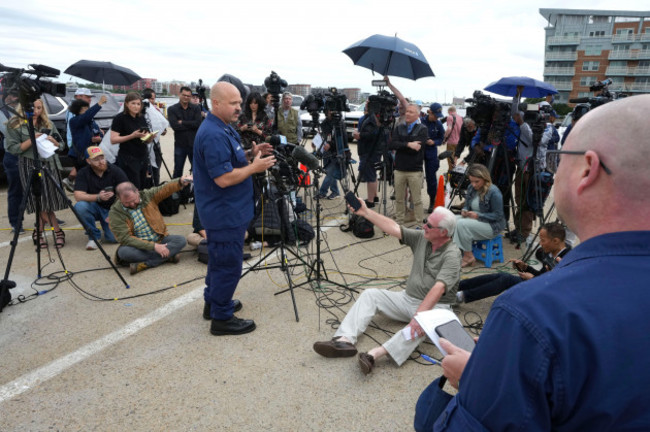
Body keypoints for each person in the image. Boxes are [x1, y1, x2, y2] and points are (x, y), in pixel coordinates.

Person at [430, 94, 650, 431]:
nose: (554, 170)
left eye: (560, 159)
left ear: (588, 168)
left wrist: (475, 380)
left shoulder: (534, 314)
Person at [313, 204, 461, 375]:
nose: (424, 226)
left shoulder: (452, 254)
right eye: (425, 222)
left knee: (419, 326)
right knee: (371, 295)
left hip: (436, 308)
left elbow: (439, 288)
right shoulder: (423, 237)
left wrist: (419, 317)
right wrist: (366, 212)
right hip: (408, 299)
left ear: (443, 232)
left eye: (429, 225)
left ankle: (374, 355)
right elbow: (394, 228)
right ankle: (343, 340)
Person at [193, 81, 275, 336]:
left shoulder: (222, 127)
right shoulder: (214, 133)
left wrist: (250, 155)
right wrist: (254, 168)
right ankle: (222, 318)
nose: (239, 107)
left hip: (228, 210)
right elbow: (223, 178)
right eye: (234, 103)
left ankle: (214, 302)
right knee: (228, 263)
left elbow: (229, 161)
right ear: (216, 103)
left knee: (219, 261)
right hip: (224, 212)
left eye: (240, 102)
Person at [5, 99, 67, 249]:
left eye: (39, 108)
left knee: (48, 201)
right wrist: (33, 139)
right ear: (24, 107)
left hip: (49, 164)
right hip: (29, 165)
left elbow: (62, 145)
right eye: (33, 108)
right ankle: (57, 231)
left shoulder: (47, 123)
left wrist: (55, 141)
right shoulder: (14, 124)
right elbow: (13, 148)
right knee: (37, 200)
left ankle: (38, 233)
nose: (36, 111)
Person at [456, 222, 569, 303]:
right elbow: (543, 276)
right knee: (501, 276)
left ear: (555, 241)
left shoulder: (567, 259)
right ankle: (456, 286)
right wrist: (525, 267)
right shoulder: (552, 252)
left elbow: (556, 290)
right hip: (537, 285)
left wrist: (532, 279)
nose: (540, 243)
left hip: (544, 297)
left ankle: (461, 297)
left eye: (543, 240)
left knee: (505, 279)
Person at [109, 177, 190, 275]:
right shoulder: (115, 213)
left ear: (137, 192)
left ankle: (146, 264)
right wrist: (154, 247)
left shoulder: (147, 195)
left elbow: (165, 188)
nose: (132, 204)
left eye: (134, 200)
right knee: (123, 253)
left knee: (181, 240)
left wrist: (180, 181)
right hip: (138, 246)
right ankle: (168, 256)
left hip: (160, 239)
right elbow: (125, 238)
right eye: (126, 203)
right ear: (119, 198)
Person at [73, 146, 128, 250]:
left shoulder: (115, 170)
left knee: (113, 239)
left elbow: (128, 190)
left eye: (102, 158)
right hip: (95, 206)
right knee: (80, 206)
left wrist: (117, 196)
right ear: (88, 161)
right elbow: (78, 195)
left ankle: (110, 226)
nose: (101, 162)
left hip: (113, 209)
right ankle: (93, 236)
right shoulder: (83, 173)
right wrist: (98, 197)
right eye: (96, 159)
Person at [452, 164, 506, 267]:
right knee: (453, 220)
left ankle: (468, 256)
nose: (473, 184)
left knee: (462, 224)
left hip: (492, 225)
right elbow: (467, 205)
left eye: (477, 181)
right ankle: (458, 251)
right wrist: (465, 210)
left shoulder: (494, 192)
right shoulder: (471, 188)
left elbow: (498, 216)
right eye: (471, 181)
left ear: (484, 178)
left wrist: (478, 215)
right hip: (477, 220)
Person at [389, 103, 428, 225]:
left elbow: (419, 147)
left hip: (414, 170)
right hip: (399, 168)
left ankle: (419, 223)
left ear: (417, 115)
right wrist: (408, 144)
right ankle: (399, 221)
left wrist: (402, 144)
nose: (407, 114)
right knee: (399, 199)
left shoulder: (423, 129)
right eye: (407, 111)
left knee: (416, 200)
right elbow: (392, 144)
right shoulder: (399, 127)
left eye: (411, 112)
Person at [110, 92, 155, 189]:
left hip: (142, 156)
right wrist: (132, 136)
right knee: (134, 185)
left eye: (138, 104)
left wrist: (149, 138)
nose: (136, 106)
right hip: (128, 157)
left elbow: (143, 139)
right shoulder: (120, 118)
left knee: (143, 184)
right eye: (133, 103)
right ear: (126, 104)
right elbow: (113, 139)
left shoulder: (141, 117)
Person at [62, 88, 94, 192]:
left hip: (77, 141)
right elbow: (81, 121)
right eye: (87, 97)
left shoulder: (77, 108)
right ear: (79, 97)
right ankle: (74, 183)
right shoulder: (76, 109)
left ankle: (71, 180)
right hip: (76, 142)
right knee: (82, 164)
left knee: (82, 166)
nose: (89, 99)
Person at [1, 89, 24, 234]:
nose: (15, 98)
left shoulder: (22, 108)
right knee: (16, 190)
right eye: (12, 95)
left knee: (39, 186)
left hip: (29, 153)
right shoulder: (3, 111)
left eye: (17, 95)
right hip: (13, 154)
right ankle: (16, 222)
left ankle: (46, 217)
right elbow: (6, 129)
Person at [167, 86, 202, 178]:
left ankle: (196, 190)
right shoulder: (172, 109)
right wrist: (191, 125)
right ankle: (176, 191)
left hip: (194, 144)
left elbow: (198, 124)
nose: (186, 97)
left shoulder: (196, 108)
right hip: (180, 144)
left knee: (197, 170)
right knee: (178, 170)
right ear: (179, 94)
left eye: (188, 96)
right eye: (184, 95)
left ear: (190, 97)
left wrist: (182, 122)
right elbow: (175, 126)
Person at [68, 95, 107, 174]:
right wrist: (99, 103)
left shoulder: (91, 122)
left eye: (87, 108)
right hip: (80, 156)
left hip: (92, 154)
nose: (87, 111)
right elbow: (86, 117)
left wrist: (100, 138)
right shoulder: (74, 121)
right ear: (78, 110)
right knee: (85, 176)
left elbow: (99, 133)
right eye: (84, 109)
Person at [352, 106, 382, 207]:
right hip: (368, 150)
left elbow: (373, 134)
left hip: (370, 151)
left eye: (369, 102)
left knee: (370, 176)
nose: (367, 104)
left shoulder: (374, 119)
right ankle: (374, 196)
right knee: (372, 174)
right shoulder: (367, 117)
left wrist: (360, 136)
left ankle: (370, 201)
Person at [142, 88, 169, 186]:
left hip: (155, 144)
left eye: (154, 99)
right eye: (151, 99)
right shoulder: (140, 110)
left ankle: (156, 187)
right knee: (144, 170)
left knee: (156, 168)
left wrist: (163, 130)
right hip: (143, 145)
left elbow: (163, 129)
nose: (153, 101)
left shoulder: (156, 110)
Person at [422, 103, 445, 213]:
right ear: (429, 112)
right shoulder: (421, 121)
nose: (436, 118)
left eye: (438, 116)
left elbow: (441, 139)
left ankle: (432, 200)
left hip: (431, 152)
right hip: (419, 151)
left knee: (431, 178)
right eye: (435, 115)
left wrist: (434, 142)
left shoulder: (439, 124)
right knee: (414, 175)